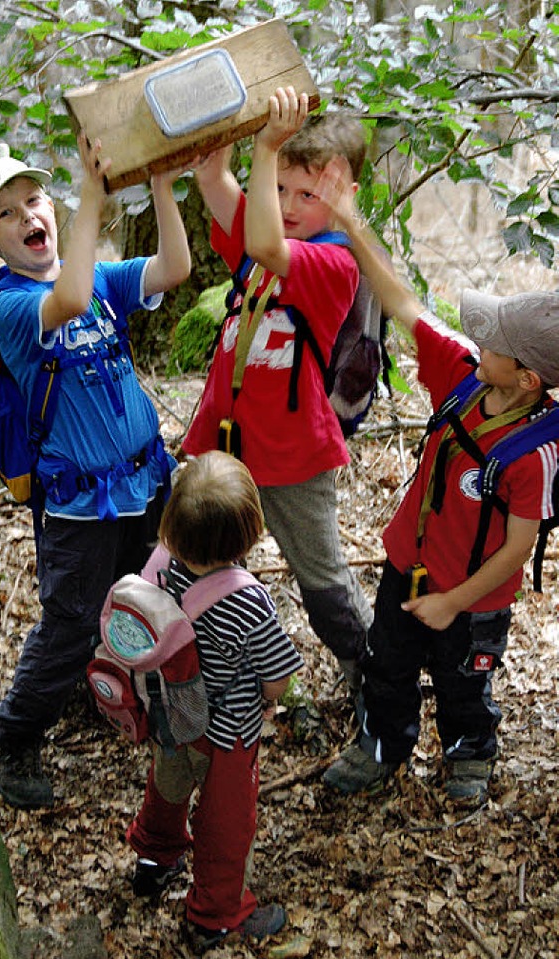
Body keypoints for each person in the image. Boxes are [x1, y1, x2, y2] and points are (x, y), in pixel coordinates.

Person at [0, 133, 191, 809]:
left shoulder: (102, 278)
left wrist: (164, 185)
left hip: (144, 484)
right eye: (7, 213)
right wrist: (93, 192)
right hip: (81, 503)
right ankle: (12, 739)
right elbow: (73, 297)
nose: (29, 216)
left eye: (34, 200)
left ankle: (114, 690)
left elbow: (175, 267)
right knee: (70, 620)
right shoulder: (10, 307)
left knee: (151, 596)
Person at [316, 157, 559, 802]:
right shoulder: (462, 377)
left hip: (474, 597)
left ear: (527, 378)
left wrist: (455, 601)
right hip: (409, 565)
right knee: (386, 663)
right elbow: (401, 299)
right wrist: (349, 218)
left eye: (494, 341)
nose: (478, 339)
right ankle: (380, 744)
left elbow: (517, 547)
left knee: (465, 680)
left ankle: (469, 751)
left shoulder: (532, 454)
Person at [182, 86, 373, 696]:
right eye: (282, 189)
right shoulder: (269, 230)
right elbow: (218, 187)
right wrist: (221, 148)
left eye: (308, 195)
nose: (287, 205)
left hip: (294, 454)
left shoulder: (334, 263)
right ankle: (204, 669)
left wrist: (265, 151)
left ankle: (373, 681)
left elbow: (265, 241)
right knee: (195, 561)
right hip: (226, 442)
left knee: (323, 583)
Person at [125, 450, 303, 952]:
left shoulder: (159, 564)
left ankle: (154, 858)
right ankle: (215, 914)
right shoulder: (247, 601)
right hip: (226, 733)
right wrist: (271, 701)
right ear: (248, 534)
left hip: (169, 714)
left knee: (167, 786)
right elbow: (275, 677)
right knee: (227, 820)